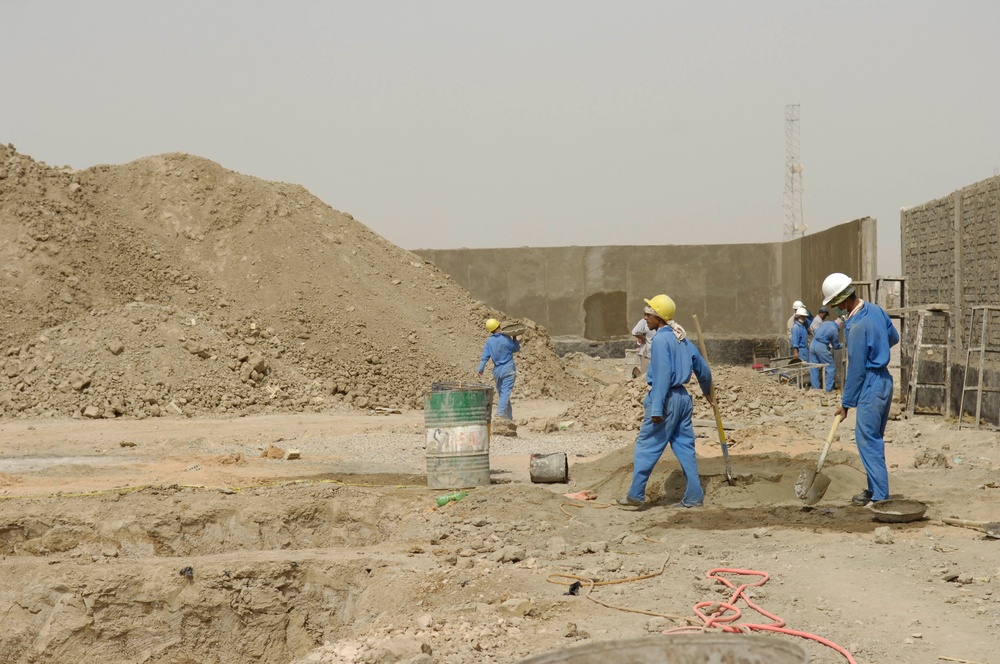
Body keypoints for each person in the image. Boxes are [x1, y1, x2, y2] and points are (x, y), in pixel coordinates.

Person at [618, 294, 713, 509]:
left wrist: (657, 407)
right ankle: (694, 496)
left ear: (658, 317)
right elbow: (703, 369)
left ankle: (635, 495)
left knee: (647, 447)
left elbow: (662, 374)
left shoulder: (660, 339)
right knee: (684, 447)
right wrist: (707, 392)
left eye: (648, 314)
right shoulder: (681, 338)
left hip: (666, 398)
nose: (645, 318)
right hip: (682, 399)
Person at [821, 272, 900, 506]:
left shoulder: (856, 326)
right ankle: (873, 489)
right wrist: (879, 348)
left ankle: (879, 497)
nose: (836, 309)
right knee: (873, 437)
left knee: (867, 439)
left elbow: (855, 370)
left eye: (836, 304)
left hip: (870, 383)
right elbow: (893, 337)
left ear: (844, 300)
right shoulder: (876, 310)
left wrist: (846, 404)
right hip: (885, 381)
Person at [477, 318, 520, 420]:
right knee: (505, 394)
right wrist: (514, 338)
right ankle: (500, 413)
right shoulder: (506, 338)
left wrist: (480, 369)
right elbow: (516, 348)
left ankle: (508, 418)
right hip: (508, 369)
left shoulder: (489, 341)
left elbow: (485, 357)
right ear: (499, 326)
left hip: (497, 371)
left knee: (503, 394)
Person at [809, 315, 843, 392]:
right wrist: (843, 345)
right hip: (821, 346)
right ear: (841, 324)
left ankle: (815, 388)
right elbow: (836, 345)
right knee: (830, 367)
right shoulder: (834, 330)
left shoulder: (826, 323)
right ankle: (828, 389)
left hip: (813, 343)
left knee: (814, 366)